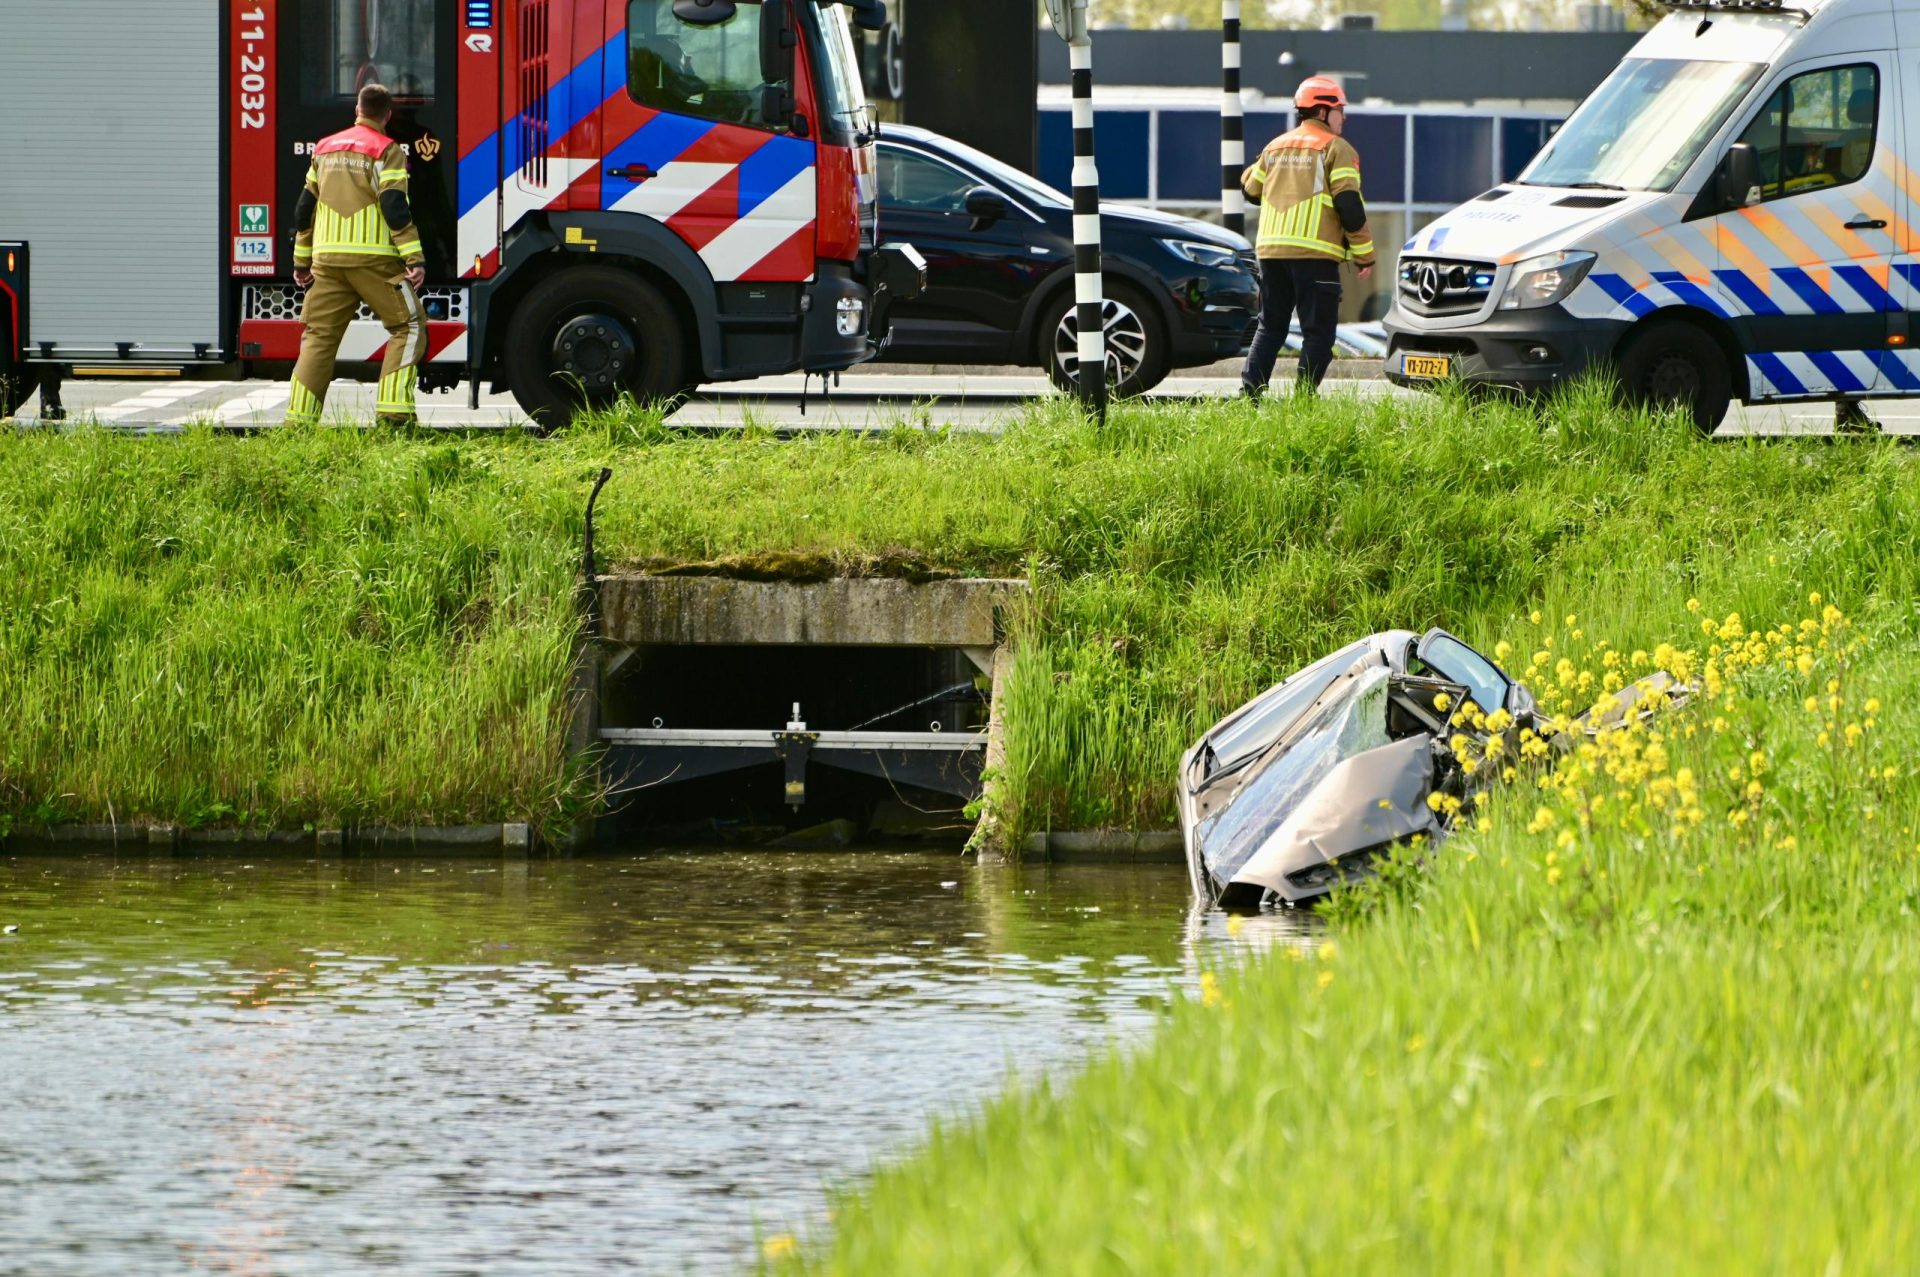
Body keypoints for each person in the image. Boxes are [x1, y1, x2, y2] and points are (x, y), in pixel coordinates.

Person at [287, 83, 428, 427]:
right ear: (388, 115)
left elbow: (304, 209)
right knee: (409, 326)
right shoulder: (387, 150)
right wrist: (414, 258)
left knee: (319, 337)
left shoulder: (323, 148)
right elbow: (394, 206)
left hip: (327, 260)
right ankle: (394, 414)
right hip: (373, 260)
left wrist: (301, 261)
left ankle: (298, 423)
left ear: (358, 111)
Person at [1240, 76, 1375, 400]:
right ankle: (1302, 401)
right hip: (1315, 256)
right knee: (1318, 333)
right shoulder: (1337, 148)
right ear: (1323, 110)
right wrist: (1364, 254)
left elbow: (1249, 189)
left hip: (1272, 253)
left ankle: (1249, 397)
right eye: (1340, 110)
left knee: (1270, 328)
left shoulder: (1275, 146)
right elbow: (1349, 205)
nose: (1344, 117)